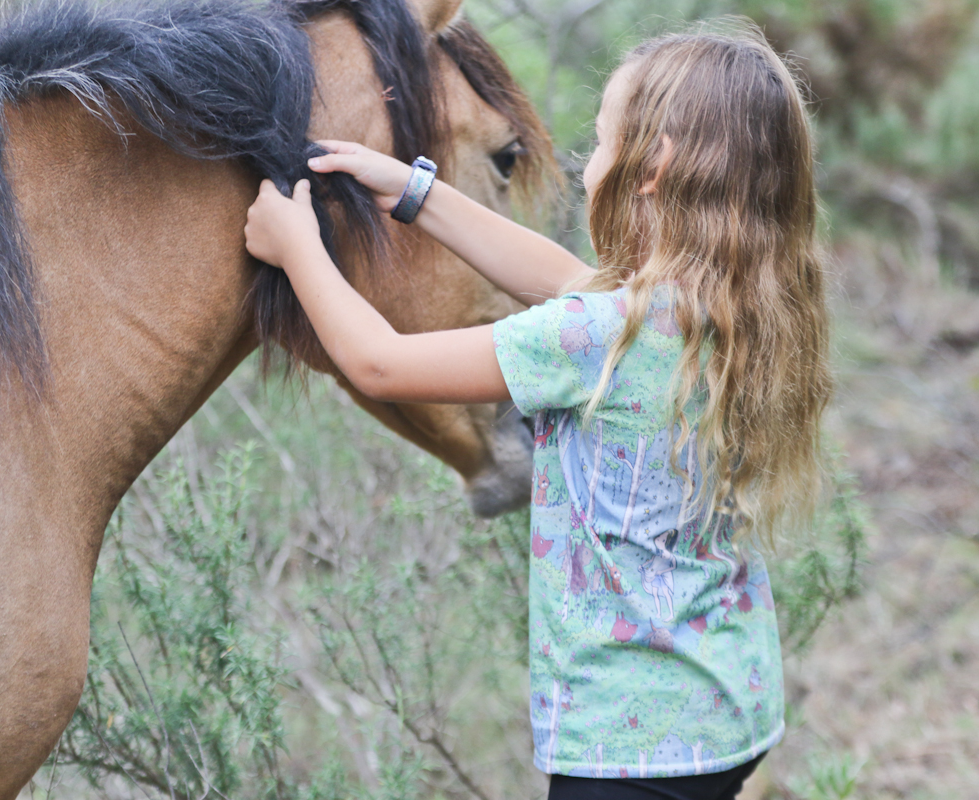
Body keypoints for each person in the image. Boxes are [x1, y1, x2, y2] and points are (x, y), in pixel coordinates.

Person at [245, 23, 831, 800]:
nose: (588, 164)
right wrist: (412, 191)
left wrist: (297, 247)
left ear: (653, 168)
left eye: (601, 142)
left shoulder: (599, 338)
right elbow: (562, 278)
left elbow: (379, 363)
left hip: (626, 753)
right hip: (724, 713)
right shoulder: (728, 310)